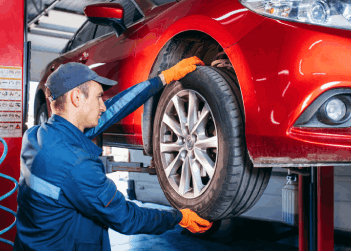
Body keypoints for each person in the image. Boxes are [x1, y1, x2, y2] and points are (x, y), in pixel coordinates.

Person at [14, 57, 212, 251]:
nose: (102, 106)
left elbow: (113, 110)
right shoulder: (76, 164)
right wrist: (179, 217)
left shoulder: (35, 136)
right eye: (99, 97)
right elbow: (126, 218)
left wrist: (163, 78)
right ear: (76, 98)